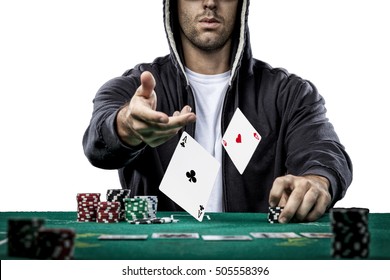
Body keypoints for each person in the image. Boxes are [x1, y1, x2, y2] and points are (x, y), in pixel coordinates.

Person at [83, 0, 352, 223]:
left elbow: (323, 150)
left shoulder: (289, 94)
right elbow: (98, 142)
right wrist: (127, 126)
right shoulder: (134, 88)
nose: (210, 2)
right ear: (171, 4)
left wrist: (317, 179)